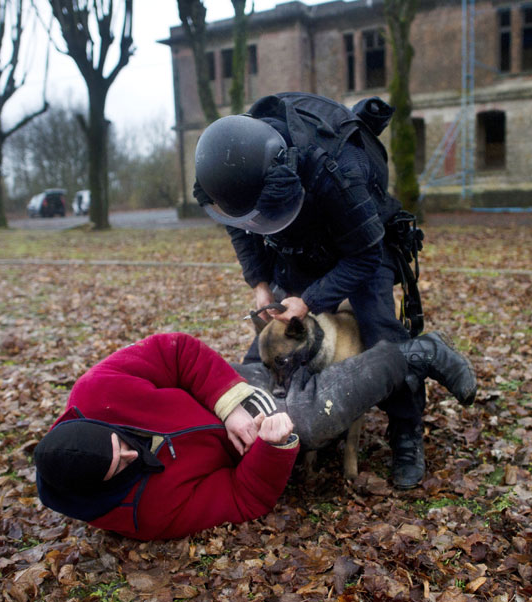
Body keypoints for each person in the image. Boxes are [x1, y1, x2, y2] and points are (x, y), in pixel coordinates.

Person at [192, 92, 452, 488]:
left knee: (383, 335)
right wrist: (261, 284)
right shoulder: (232, 169)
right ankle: (258, 423)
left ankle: (406, 430)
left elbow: (365, 256)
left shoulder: (338, 169)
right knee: (267, 343)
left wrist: (310, 300)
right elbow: (240, 227)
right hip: (296, 246)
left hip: (361, 244)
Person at [34, 331, 476, 541]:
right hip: (250, 446)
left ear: (93, 422)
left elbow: (175, 351)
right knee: (307, 422)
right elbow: (241, 499)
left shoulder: (96, 390)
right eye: (120, 467)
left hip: (228, 389)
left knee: (306, 409)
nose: (131, 455)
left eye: (121, 444)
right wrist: (274, 447)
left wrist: (227, 404)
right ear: (101, 489)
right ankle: (407, 361)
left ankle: (417, 351)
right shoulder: (145, 514)